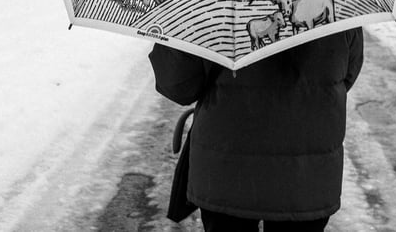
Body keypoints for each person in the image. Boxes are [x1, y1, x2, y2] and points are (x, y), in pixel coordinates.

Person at [149, 28, 364, 231]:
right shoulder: (338, 0)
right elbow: (348, 73)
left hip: (226, 169)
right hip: (307, 175)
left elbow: (177, 84)